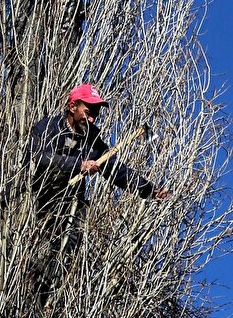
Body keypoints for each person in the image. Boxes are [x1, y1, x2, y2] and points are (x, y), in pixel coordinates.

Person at [29, 84, 171, 238]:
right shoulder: (48, 127)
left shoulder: (93, 141)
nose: (91, 119)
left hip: (66, 209)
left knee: (73, 238)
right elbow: (38, 158)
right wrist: (79, 165)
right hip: (32, 200)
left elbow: (117, 171)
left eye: (95, 115)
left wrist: (149, 190)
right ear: (72, 107)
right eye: (88, 113)